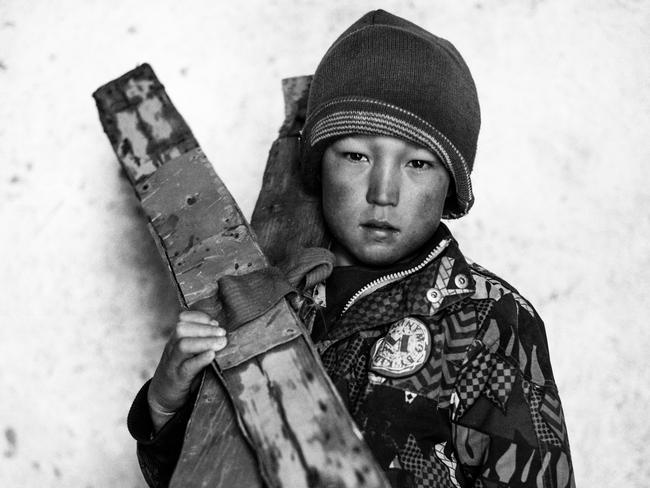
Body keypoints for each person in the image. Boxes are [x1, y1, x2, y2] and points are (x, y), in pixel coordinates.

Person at [128, 9, 575, 488]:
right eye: (357, 155)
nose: (383, 192)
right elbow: (207, 470)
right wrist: (164, 404)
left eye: (418, 164)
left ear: (451, 187)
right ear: (319, 166)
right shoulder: (264, 298)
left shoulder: (489, 320)